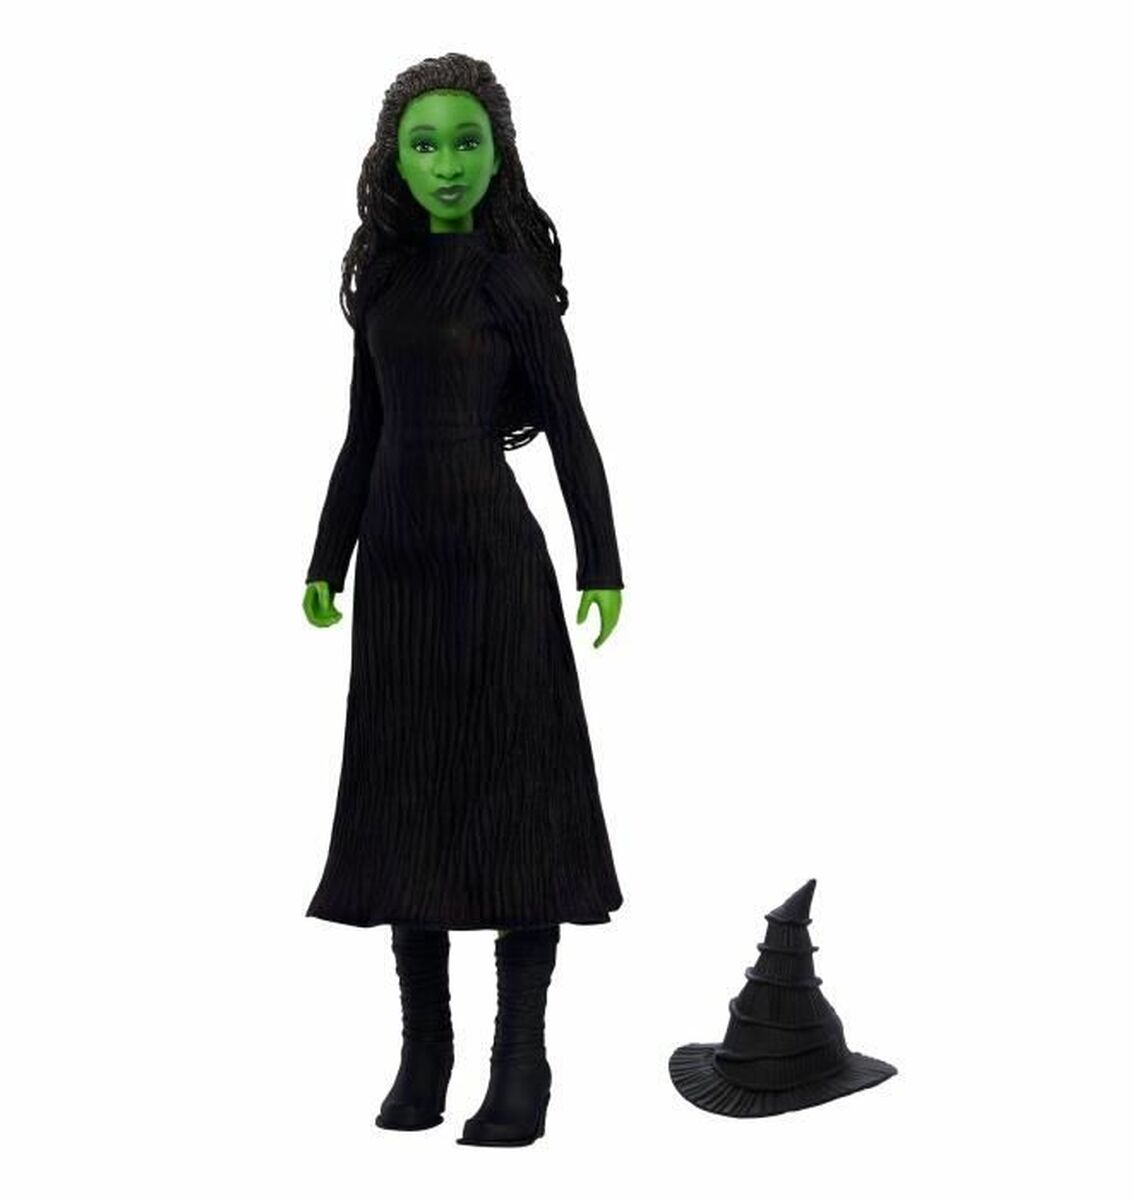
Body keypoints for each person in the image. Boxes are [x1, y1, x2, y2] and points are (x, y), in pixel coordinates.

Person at [302, 52, 626, 1147]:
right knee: (409, 797)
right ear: (394, 159)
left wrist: (600, 562)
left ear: (499, 153)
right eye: (425, 144)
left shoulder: (511, 285)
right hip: (398, 571)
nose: (447, 163)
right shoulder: (386, 285)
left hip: (494, 564)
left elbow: (570, 430)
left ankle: (521, 1060)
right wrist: (327, 556)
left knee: (517, 791)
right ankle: (424, 1050)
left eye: (467, 141)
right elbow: (363, 432)